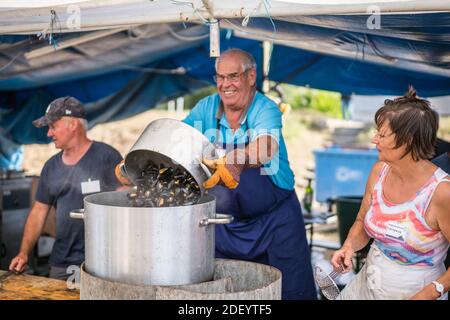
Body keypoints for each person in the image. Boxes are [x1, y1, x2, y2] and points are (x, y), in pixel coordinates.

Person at [182, 48, 317, 300]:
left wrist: (236, 160)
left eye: (232, 76)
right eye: (219, 77)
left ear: (251, 76)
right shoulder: (205, 109)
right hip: (224, 225)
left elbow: (265, 146)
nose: (224, 85)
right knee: (226, 294)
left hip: (276, 223)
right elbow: (180, 138)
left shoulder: (265, 109)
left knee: (289, 293)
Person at [331, 87, 450, 300]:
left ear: (408, 140)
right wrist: (349, 246)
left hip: (416, 292)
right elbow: (361, 222)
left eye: (382, 134)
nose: (374, 140)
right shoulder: (379, 172)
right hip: (367, 284)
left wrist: (429, 293)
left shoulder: (441, 192)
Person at [9, 96, 123, 280]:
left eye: (53, 126)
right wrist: (23, 253)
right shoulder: (50, 167)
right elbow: (38, 212)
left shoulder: (107, 158)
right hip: (63, 264)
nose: (48, 133)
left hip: (104, 263)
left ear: (73, 125)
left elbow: (125, 204)